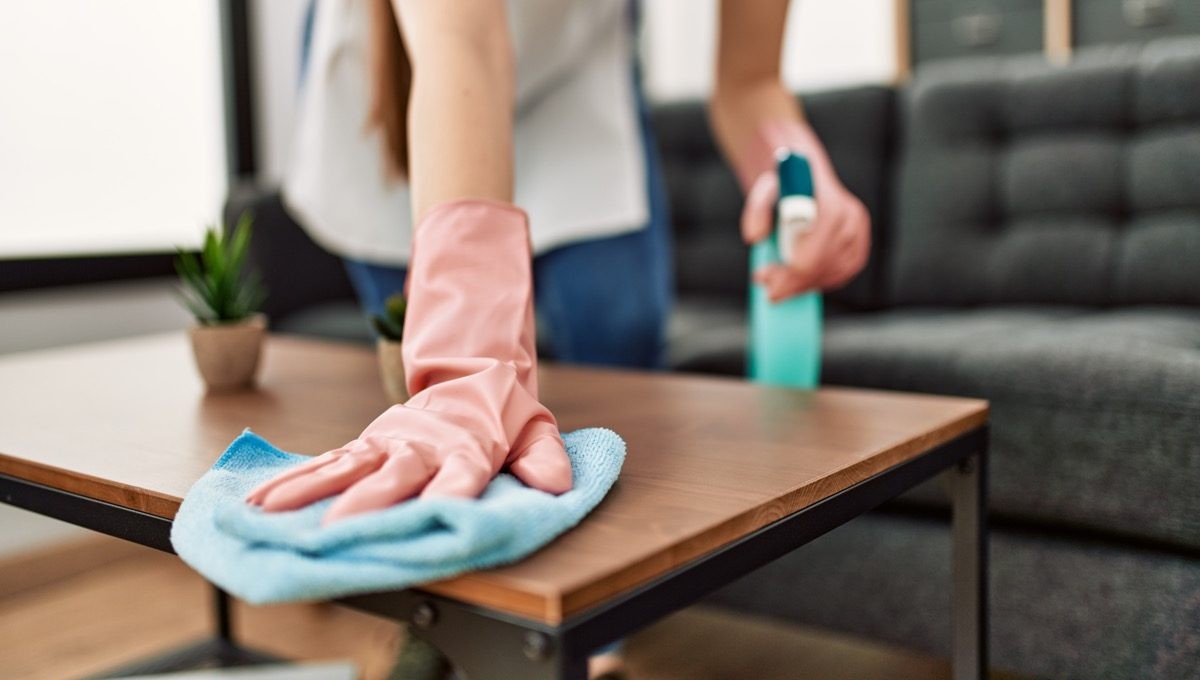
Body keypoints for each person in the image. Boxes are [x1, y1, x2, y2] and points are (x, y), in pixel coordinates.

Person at [250, 1, 870, 677]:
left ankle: (587, 630)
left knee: (621, 335)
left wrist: (795, 165)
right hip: (405, 58)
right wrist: (465, 360)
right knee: (425, 370)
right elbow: (464, 41)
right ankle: (439, 613)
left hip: (578, 64)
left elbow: (749, 80)